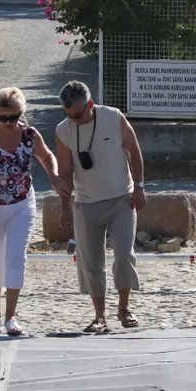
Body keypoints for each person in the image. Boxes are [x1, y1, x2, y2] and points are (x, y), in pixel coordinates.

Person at [0, 87, 69, 335]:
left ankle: (11, 316)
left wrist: (53, 175)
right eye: (2, 117)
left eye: (13, 117)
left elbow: (47, 157)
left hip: (22, 205)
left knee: (16, 258)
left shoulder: (30, 135)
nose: (8, 122)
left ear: (21, 114)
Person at [55, 81, 147, 333]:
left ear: (91, 105)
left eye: (79, 114)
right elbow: (65, 171)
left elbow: (134, 150)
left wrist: (139, 187)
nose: (75, 120)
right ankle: (99, 316)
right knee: (92, 261)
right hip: (86, 203)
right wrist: (65, 206)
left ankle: (124, 308)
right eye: (69, 115)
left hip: (122, 199)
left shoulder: (113, 117)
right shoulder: (63, 130)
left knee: (124, 255)